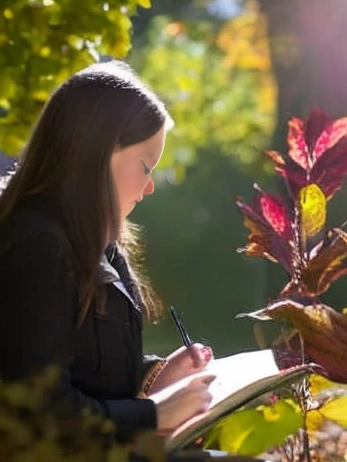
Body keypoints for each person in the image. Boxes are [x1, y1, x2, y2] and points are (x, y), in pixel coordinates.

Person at [0, 60, 216, 443]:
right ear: (97, 154)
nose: (149, 189)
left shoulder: (100, 242)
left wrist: (153, 376)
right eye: (146, 167)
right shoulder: (35, 247)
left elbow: (84, 373)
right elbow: (35, 409)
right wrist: (153, 414)